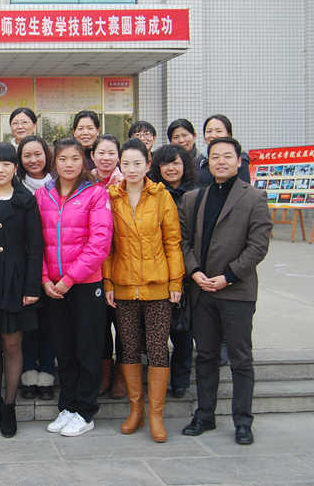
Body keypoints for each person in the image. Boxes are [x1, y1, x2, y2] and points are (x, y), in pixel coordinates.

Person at [179, 137, 272, 446]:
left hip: (236, 292)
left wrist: (228, 276)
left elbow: (258, 245)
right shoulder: (194, 198)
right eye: (215, 156)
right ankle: (204, 415)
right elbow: (183, 242)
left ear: (238, 161)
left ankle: (243, 421)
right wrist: (194, 272)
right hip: (202, 290)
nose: (220, 161)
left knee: (240, 359)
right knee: (205, 356)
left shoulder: (254, 197)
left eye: (227, 156)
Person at [103, 138, 184, 443]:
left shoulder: (162, 197)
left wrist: (175, 282)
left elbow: (172, 242)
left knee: (158, 348)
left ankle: (156, 415)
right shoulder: (111, 197)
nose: (132, 169)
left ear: (148, 165)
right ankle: (135, 409)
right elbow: (108, 247)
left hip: (157, 287)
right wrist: (108, 282)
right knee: (128, 347)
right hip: (124, 286)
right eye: (126, 164)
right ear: (119, 166)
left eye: (138, 163)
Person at [37, 138, 112, 437]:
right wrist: (45, 278)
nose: (69, 164)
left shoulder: (95, 193)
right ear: (54, 162)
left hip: (84, 285)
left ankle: (85, 410)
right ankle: (67, 406)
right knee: (63, 349)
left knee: (87, 349)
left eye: (75, 158)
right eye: (63, 159)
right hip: (53, 287)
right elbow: (36, 241)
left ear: (84, 161)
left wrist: (69, 279)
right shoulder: (43, 194)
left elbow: (99, 244)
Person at [0, 143, 43, 438]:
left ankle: (10, 407)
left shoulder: (25, 201)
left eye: (6, 164)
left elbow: (35, 247)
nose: (0, 170)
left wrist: (31, 286)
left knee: (12, 344)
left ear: (15, 168)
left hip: (15, 280)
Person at [150, 144, 199, 398]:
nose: (171, 168)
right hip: (156, 268)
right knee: (157, 331)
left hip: (186, 269)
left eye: (176, 163)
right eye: (165, 164)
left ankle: (180, 380)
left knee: (183, 331)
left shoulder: (196, 194)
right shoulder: (152, 193)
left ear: (185, 165)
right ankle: (156, 378)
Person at [16, 135, 57, 401]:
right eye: (27, 155)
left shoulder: (58, 184)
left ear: (46, 155)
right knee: (29, 324)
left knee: (50, 324)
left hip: (54, 264)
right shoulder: (15, 186)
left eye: (37, 154)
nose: (33, 160)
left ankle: (47, 373)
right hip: (25, 265)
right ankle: (28, 374)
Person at [89, 134, 126, 400]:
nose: (105, 158)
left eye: (111, 153)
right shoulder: (85, 182)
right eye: (101, 153)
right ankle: (104, 371)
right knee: (99, 324)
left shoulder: (127, 182)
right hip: (94, 264)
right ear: (92, 156)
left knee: (123, 323)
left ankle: (122, 375)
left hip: (124, 261)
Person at [196, 115, 250, 187]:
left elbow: (244, 188)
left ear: (229, 135)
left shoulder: (239, 158)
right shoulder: (201, 159)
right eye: (209, 131)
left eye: (218, 131)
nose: (213, 135)